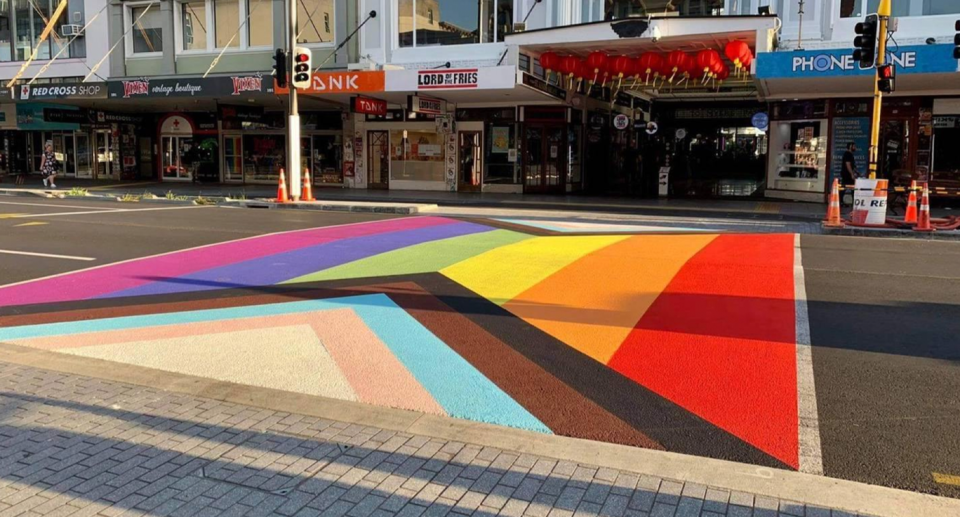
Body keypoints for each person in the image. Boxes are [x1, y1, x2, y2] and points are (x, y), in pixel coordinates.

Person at [841, 142, 859, 206]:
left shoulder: (850, 154)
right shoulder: (848, 154)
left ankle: (841, 201)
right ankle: (840, 201)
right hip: (847, 174)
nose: (855, 148)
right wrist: (851, 174)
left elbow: (851, 165)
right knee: (847, 187)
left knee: (847, 187)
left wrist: (856, 172)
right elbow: (848, 165)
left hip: (848, 174)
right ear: (850, 146)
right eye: (854, 146)